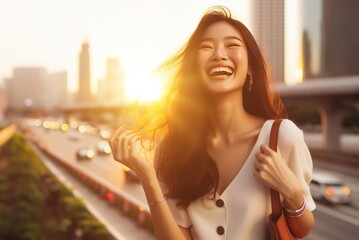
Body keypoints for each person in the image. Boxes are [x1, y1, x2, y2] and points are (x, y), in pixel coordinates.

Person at [108, 6, 315, 240]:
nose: (218, 54)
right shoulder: (173, 148)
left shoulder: (283, 137)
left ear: (251, 70)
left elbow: (302, 228)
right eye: (206, 47)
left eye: (232, 45)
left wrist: (293, 191)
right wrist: (147, 177)